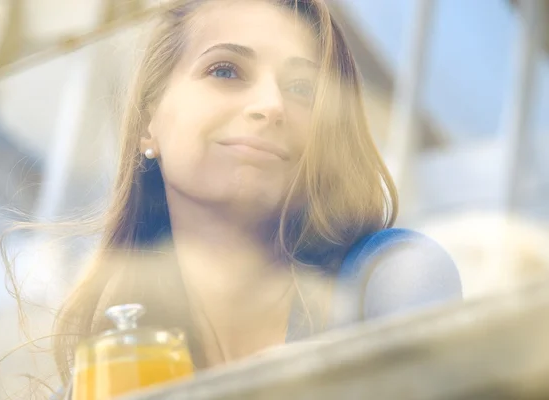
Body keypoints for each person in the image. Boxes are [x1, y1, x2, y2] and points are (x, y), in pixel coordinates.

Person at [42, 0, 462, 390]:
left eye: (302, 88)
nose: (271, 105)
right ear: (147, 122)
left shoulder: (389, 280)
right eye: (225, 71)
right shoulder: (110, 370)